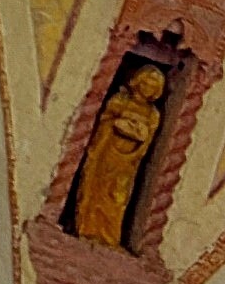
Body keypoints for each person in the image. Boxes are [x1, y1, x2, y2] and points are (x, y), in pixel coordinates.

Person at [67, 60, 166, 249]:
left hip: (127, 163)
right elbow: (108, 121)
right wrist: (128, 126)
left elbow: (146, 136)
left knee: (118, 197)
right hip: (106, 154)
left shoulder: (153, 113)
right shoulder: (120, 100)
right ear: (137, 81)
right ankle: (87, 230)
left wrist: (130, 127)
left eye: (152, 87)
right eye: (145, 83)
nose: (146, 89)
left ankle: (109, 237)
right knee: (96, 189)